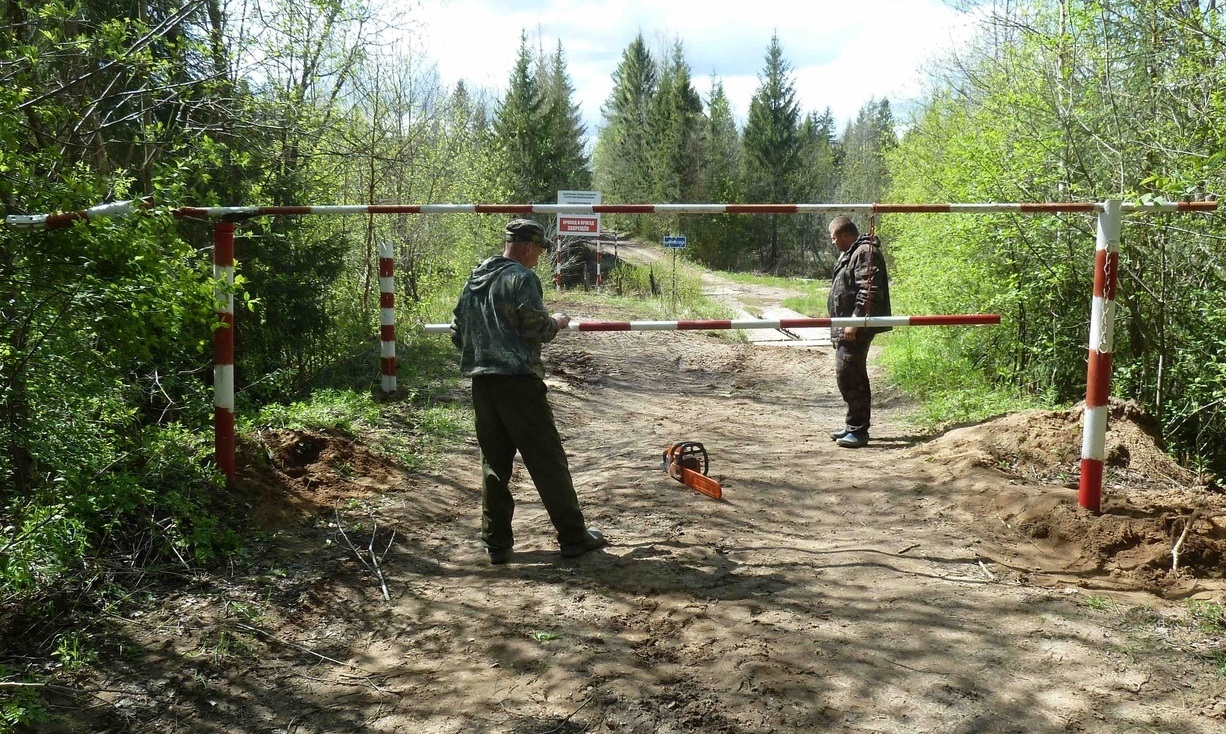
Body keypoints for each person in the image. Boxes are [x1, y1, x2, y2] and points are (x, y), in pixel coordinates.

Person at [449, 218, 607, 564]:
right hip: (519, 384)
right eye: (538, 250)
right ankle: (572, 536)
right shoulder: (521, 278)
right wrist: (558, 322)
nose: (539, 258)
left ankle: (497, 543)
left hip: (482, 384)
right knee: (547, 460)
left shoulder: (476, 277)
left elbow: (457, 330)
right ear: (526, 247)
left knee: (494, 464)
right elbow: (536, 328)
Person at [826, 216, 891, 449]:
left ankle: (858, 430)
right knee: (847, 375)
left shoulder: (864, 252)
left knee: (851, 375)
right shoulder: (853, 253)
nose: (833, 243)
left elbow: (869, 289)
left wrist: (855, 321)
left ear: (845, 235)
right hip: (847, 326)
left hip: (856, 327)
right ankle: (852, 425)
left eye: (834, 237)